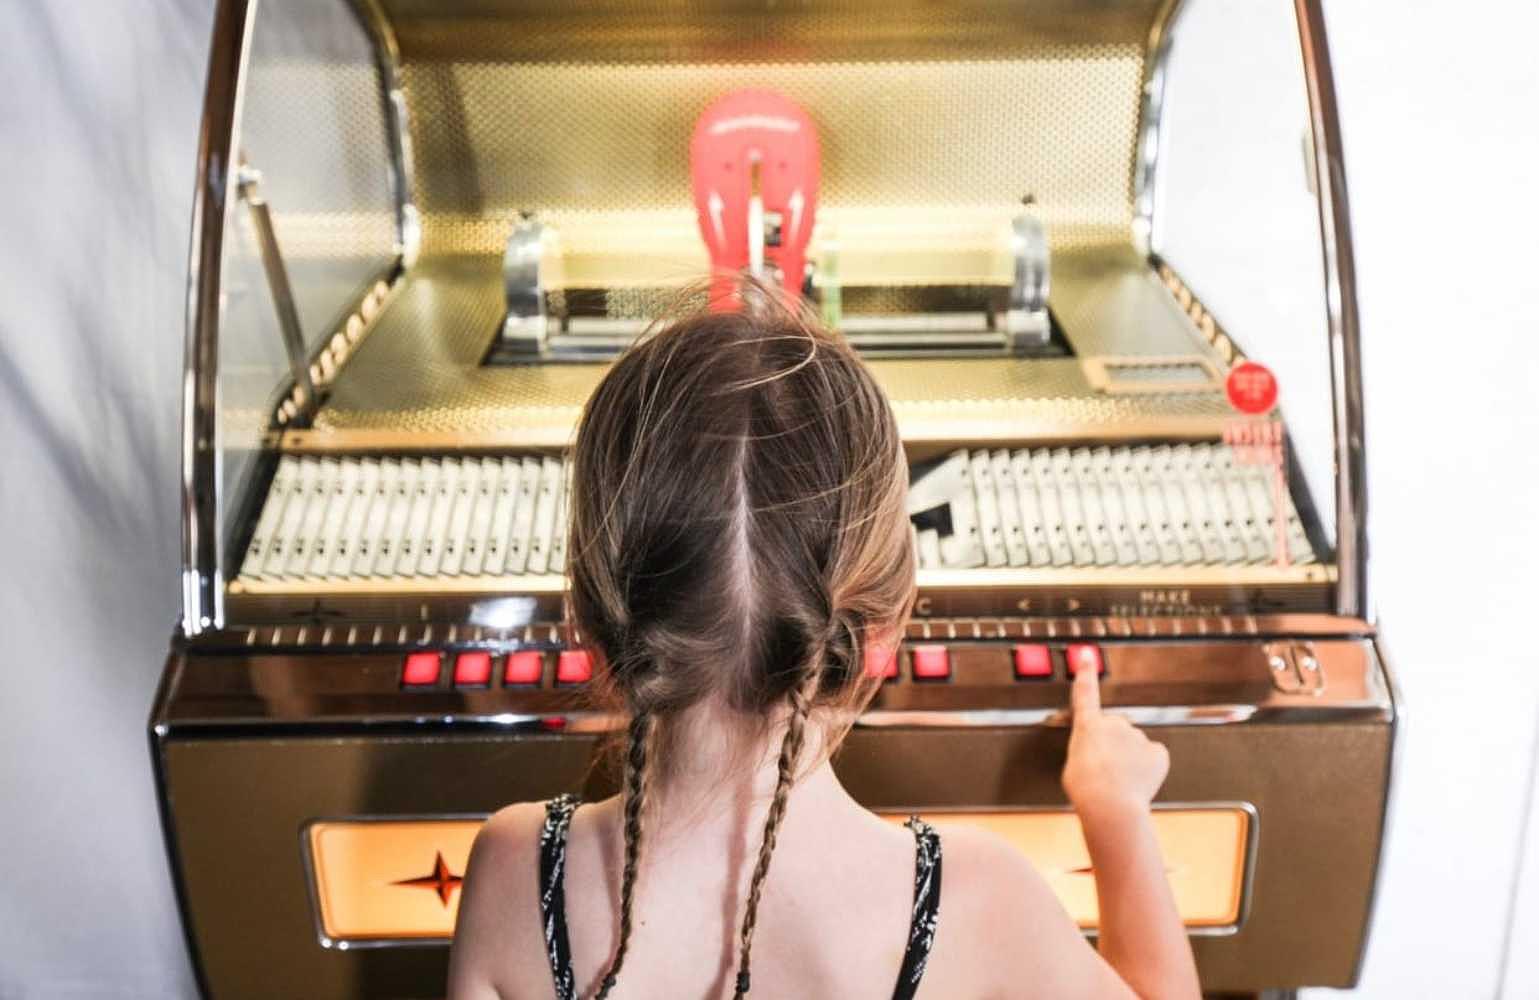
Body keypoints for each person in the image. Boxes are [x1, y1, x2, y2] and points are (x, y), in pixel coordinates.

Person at [447, 289, 1201, 1000]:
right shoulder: (977, 896)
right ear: (881, 624)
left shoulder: (515, 869)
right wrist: (1116, 810)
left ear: (591, 623)